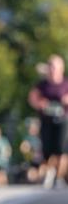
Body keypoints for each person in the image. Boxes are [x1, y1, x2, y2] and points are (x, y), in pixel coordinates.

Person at [28, 54, 68, 188]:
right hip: (46, 121)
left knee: (61, 150)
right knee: (47, 150)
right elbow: (32, 98)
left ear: (61, 68)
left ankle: (58, 177)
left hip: (63, 121)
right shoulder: (42, 85)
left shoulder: (65, 83)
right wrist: (40, 103)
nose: (52, 69)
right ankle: (49, 173)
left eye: (55, 66)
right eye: (50, 66)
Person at [19, 117, 45, 184]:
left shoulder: (42, 137)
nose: (31, 130)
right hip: (32, 160)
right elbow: (23, 147)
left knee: (41, 174)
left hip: (42, 161)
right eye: (30, 129)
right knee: (30, 176)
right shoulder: (28, 138)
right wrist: (26, 150)